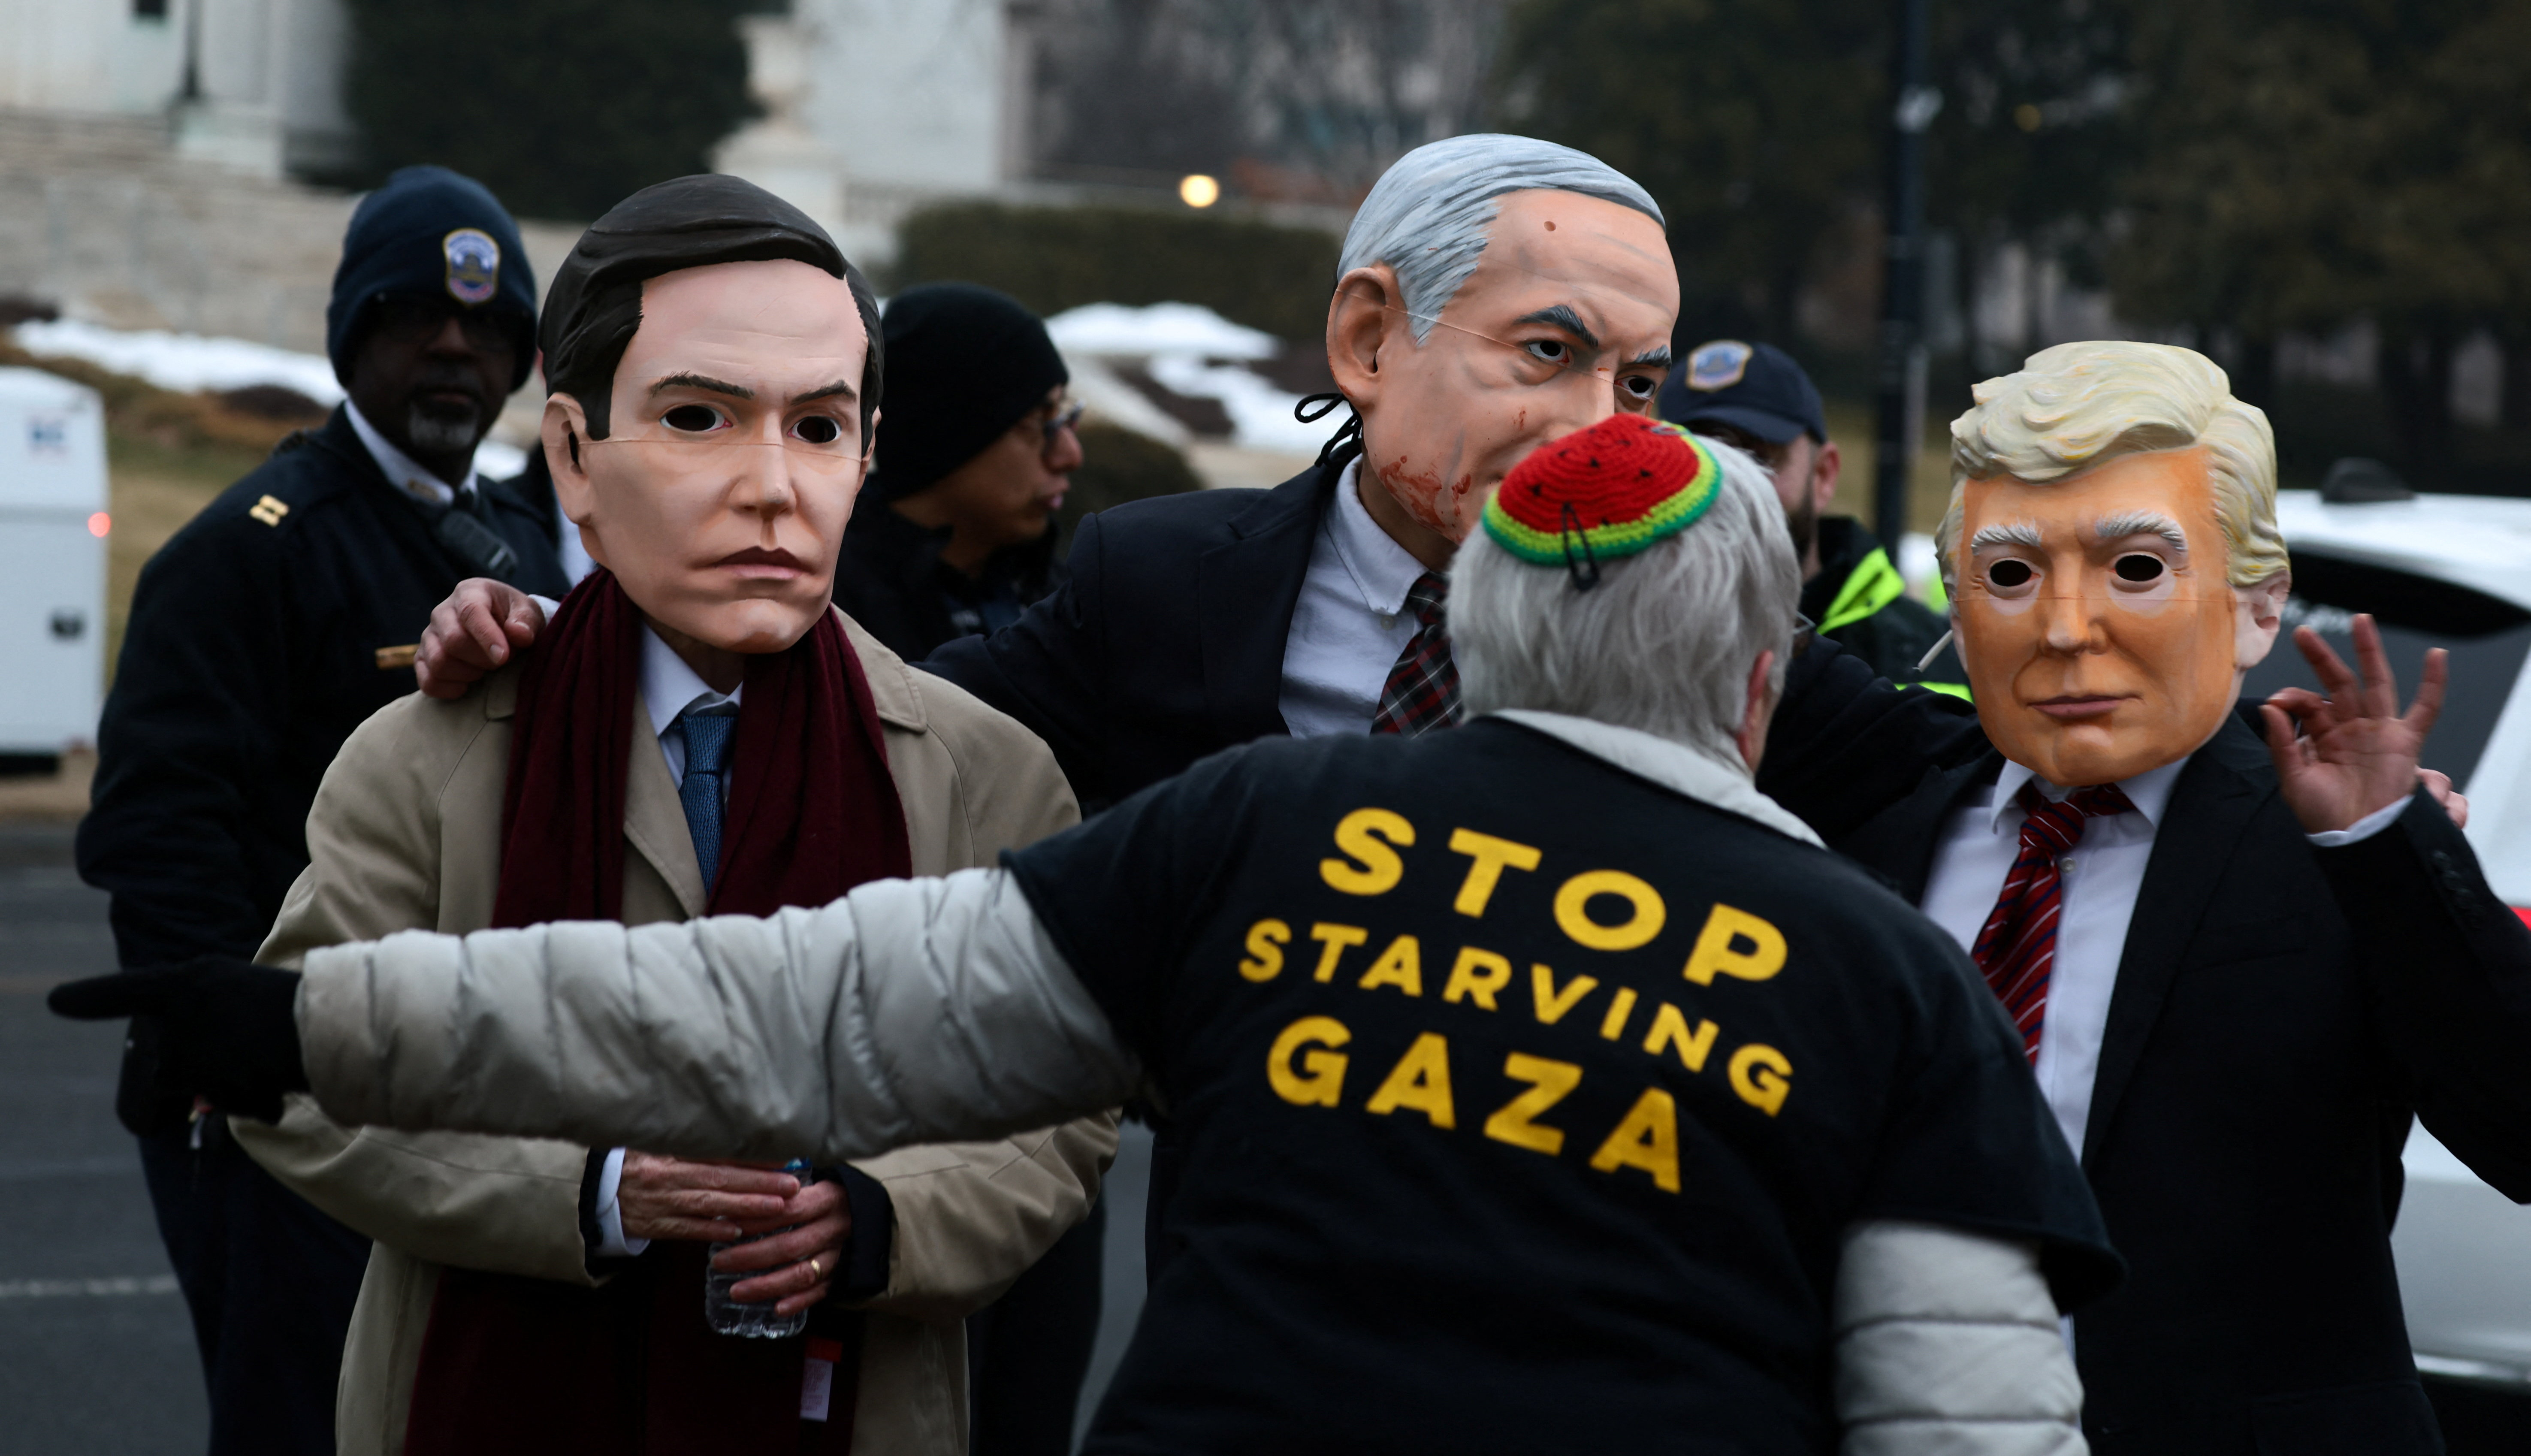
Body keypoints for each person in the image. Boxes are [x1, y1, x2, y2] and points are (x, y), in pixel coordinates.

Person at [61, 413, 2126, 1454]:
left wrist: (312, 1014)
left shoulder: (1256, 830)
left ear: (1473, 637)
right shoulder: (1882, 978)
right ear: (1756, 681)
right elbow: (1965, 1421)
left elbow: (775, 1009)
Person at [219, 175, 1110, 1456]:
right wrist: (582, 1198)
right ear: (575, 455)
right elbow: (296, 1072)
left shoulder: (986, 775)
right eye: (698, 417)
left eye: (818, 428)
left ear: (867, 453)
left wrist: (884, 1219)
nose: (769, 486)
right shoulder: (427, 756)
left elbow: (1058, 1108)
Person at [1827, 341, 2531, 1452]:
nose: (2065, 626)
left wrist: (2385, 846)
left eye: (2136, 569)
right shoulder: (1867, 815)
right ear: (1954, 618)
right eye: (2009, 575)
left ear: (2257, 607)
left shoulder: (2336, 849)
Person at [72, 164, 568, 1456]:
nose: (454, 348)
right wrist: (230, 1038)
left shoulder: (517, 536)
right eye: (414, 318)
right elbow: (159, 823)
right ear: (353, 339)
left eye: (488, 328)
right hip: (286, 1088)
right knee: (303, 1417)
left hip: (462, 1071)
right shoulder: (257, 546)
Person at [1659, 338, 1960, 692]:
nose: (1731, 484)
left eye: (1758, 458)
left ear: (1823, 476)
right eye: (1699, 460)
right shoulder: (1634, 632)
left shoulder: (1929, 654)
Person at [833, 283, 1083, 664]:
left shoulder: (1061, 593)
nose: (1070, 455)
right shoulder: (831, 614)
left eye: (1066, 418)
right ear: (945, 438)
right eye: (1038, 421)